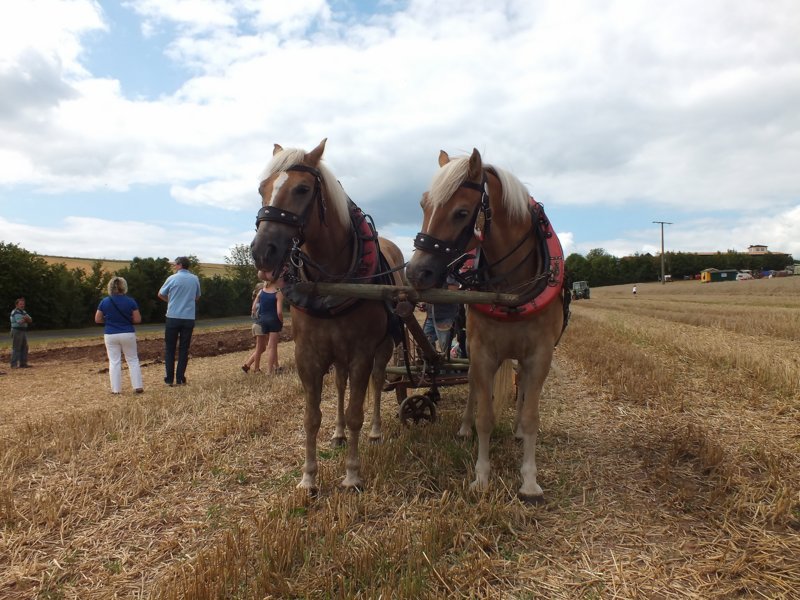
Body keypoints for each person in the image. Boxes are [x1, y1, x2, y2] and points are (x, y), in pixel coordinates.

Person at [95, 277, 143, 394]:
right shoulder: (130, 301)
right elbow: (137, 319)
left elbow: (97, 319)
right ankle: (137, 386)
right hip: (127, 333)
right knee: (132, 359)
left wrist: (109, 321)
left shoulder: (105, 301)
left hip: (110, 334)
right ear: (124, 287)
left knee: (114, 361)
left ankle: (116, 390)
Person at [158, 256, 201, 386]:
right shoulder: (195, 279)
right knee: (184, 349)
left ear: (180, 265)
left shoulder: (172, 278)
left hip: (173, 316)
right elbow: (197, 297)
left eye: (175, 264)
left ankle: (169, 379)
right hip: (188, 317)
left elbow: (160, 294)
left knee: (170, 349)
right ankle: (180, 378)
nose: (174, 266)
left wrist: (170, 301)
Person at [243, 273, 284, 374]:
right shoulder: (278, 294)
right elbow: (279, 312)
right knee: (271, 347)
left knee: (262, 348)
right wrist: (281, 321)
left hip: (261, 322)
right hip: (273, 321)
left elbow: (253, 308)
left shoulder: (261, 292)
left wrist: (259, 317)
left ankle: (254, 366)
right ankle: (267, 370)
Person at [9, 297, 33, 369]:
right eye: (20, 304)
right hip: (17, 331)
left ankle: (23, 363)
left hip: (22, 331)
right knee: (16, 348)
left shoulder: (23, 312)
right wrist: (26, 319)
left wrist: (25, 319)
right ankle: (13, 364)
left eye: (23, 304)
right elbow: (19, 322)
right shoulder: (15, 312)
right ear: (16, 305)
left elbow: (30, 320)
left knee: (24, 347)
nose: (22, 305)